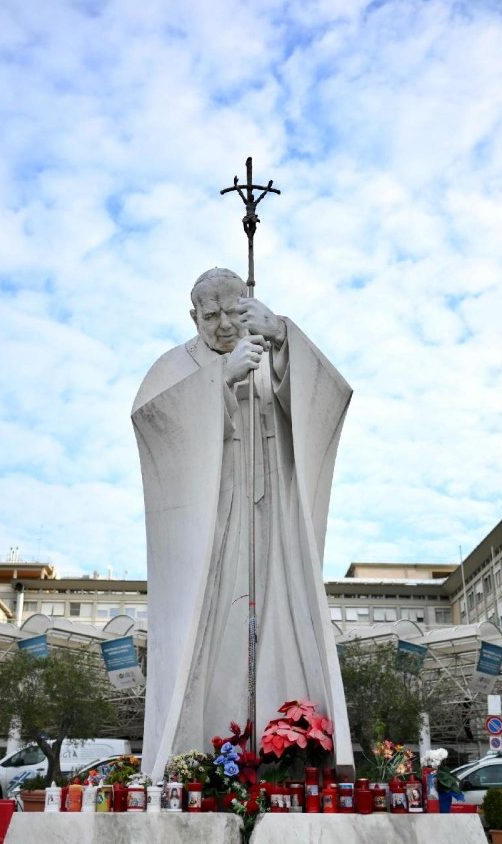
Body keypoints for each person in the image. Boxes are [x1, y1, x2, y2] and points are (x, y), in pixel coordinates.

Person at [133, 267, 354, 781]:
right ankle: (197, 760)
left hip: (272, 519)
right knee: (211, 634)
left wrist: (284, 338)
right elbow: (152, 423)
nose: (225, 324)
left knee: (283, 619)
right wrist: (219, 381)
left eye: (234, 311)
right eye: (211, 316)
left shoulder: (267, 347)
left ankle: (287, 756)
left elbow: (329, 397)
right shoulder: (174, 367)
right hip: (210, 527)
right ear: (194, 317)